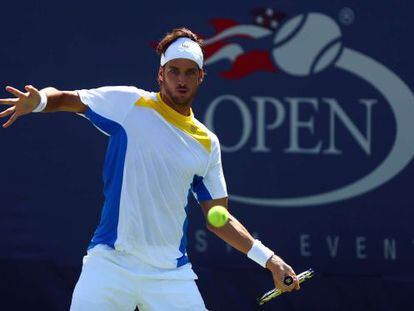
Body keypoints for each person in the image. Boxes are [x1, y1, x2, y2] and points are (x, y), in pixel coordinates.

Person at [0, 28, 300, 310]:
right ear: (160, 74)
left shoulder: (207, 143)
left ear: (201, 78)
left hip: (171, 276)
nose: (181, 80)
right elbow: (68, 99)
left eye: (190, 72)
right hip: (110, 265)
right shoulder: (130, 104)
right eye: (174, 71)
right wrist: (38, 101)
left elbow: (218, 220)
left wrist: (270, 260)